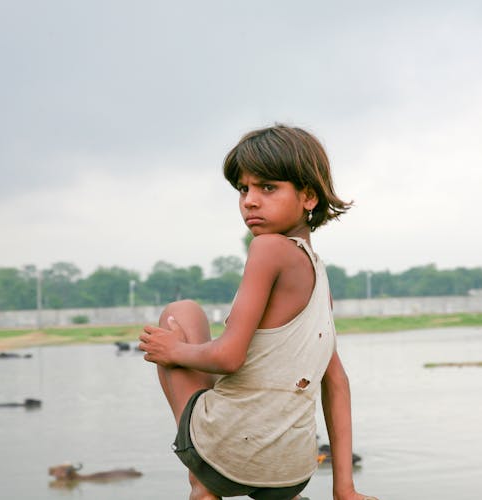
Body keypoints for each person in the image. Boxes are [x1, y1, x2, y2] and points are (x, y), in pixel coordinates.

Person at [139, 125, 376, 500]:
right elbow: (337, 383)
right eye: (243, 189)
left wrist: (174, 351)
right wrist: (344, 488)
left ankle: (203, 483)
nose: (250, 201)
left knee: (181, 311)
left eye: (268, 188)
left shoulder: (267, 248)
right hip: (292, 471)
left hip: (230, 450)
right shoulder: (321, 279)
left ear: (308, 196)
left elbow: (229, 357)